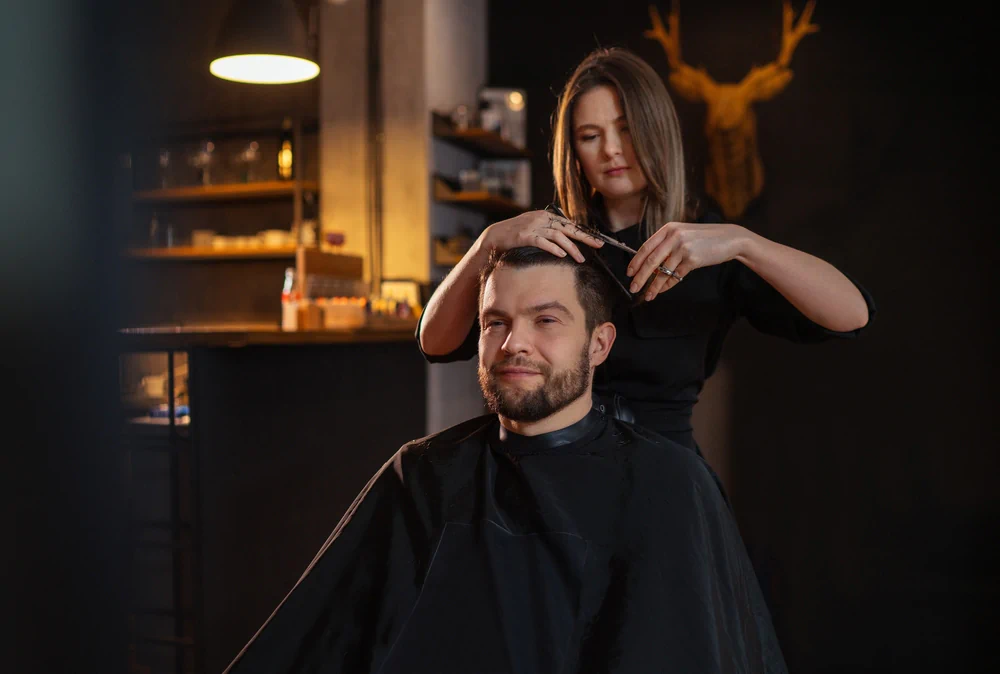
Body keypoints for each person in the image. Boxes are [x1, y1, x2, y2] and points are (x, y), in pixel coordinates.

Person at [221, 246, 788, 674]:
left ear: (599, 344)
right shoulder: (422, 476)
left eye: (546, 320)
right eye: (496, 322)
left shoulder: (666, 482)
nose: (515, 343)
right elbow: (313, 643)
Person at [416, 46, 876, 457]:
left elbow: (852, 314)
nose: (612, 151)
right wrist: (485, 243)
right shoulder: (550, 242)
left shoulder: (710, 246)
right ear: (573, 151)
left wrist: (744, 242)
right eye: (590, 136)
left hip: (665, 485)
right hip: (554, 474)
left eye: (627, 129)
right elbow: (434, 343)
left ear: (656, 130)